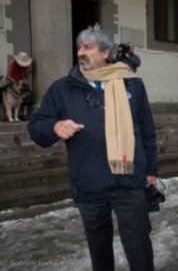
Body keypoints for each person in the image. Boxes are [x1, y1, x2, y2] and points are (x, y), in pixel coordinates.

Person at [27, 25, 157, 271]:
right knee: (99, 251)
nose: (80, 52)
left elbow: (146, 131)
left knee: (139, 246)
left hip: (129, 180)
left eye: (88, 47)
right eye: (78, 47)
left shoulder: (132, 85)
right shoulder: (62, 88)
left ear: (106, 52)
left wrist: (151, 169)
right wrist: (54, 126)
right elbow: (36, 127)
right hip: (89, 183)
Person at [5, 52, 33, 120]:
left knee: (23, 95)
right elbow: (8, 76)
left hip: (21, 82)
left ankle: (20, 114)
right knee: (11, 98)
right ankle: (10, 116)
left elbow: (25, 77)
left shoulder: (27, 67)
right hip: (12, 81)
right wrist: (15, 82)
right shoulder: (12, 63)